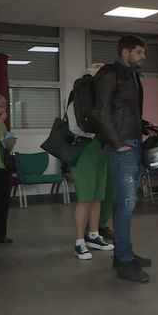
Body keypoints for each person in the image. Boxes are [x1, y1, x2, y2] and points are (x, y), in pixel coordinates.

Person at [94, 35, 152, 282]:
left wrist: (144, 126)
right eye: (139, 52)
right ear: (125, 52)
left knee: (126, 203)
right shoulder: (110, 73)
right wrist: (117, 144)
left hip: (134, 142)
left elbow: (127, 111)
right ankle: (125, 263)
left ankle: (122, 254)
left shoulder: (132, 76)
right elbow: (101, 111)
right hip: (122, 146)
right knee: (126, 204)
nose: (143, 57)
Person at [68, 64, 114, 259]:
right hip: (86, 149)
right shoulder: (79, 96)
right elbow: (75, 127)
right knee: (85, 199)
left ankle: (93, 235)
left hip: (99, 148)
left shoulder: (97, 98)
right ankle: (79, 242)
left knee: (97, 197)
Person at [0, 93, 14, 243]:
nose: (2, 110)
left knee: (3, 202)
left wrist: (9, 139)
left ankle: (0, 234)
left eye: (4, 106)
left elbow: (7, 144)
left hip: (2, 167)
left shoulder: (1, 124)